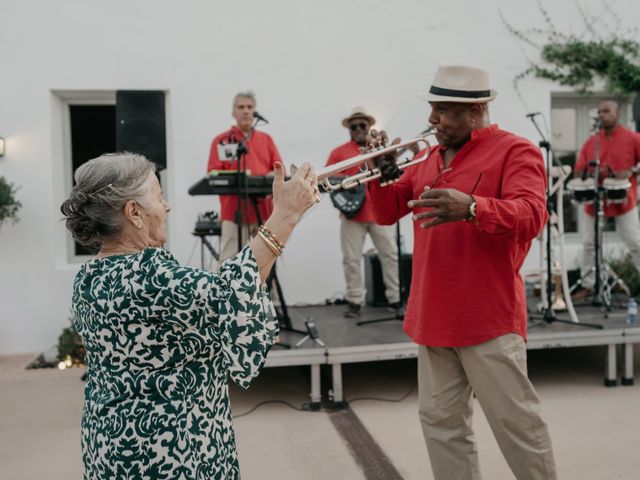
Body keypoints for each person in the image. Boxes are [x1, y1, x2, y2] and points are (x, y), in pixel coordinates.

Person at [60, 153, 319, 479]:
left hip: (107, 447)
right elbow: (233, 295)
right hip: (170, 454)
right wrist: (287, 214)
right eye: (159, 196)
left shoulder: (88, 278)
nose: (167, 207)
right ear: (134, 212)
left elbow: (232, 288)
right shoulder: (153, 276)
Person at [367, 65, 557, 479]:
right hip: (433, 316)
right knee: (442, 429)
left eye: (443, 111)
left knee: (518, 427)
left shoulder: (516, 151)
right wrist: (384, 172)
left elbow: (532, 216)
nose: (432, 120)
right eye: (433, 109)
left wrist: (472, 207)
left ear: (476, 111)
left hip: (488, 316)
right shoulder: (428, 157)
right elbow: (385, 213)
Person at [325, 107, 400, 317]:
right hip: (352, 215)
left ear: (369, 127)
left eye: (362, 125)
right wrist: (345, 194)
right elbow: (327, 179)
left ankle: (395, 299)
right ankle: (355, 301)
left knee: (390, 255)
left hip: (380, 215)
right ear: (349, 128)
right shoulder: (338, 152)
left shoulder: (378, 148)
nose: (358, 129)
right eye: (354, 126)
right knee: (351, 259)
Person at [573, 100, 640, 299]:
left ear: (617, 113)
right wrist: (588, 172)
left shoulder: (633, 138)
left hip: (624, 200)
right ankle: (589, 285)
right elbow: (578, 170)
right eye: (600, 111)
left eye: (607, 111)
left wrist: (632, 170)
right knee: (588, 243)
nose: (602, 115)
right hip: (595, 201)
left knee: (635, 241)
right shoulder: (591, 142)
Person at [207, 90, 283, 261]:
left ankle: (266, 289)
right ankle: (227, 289)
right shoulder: (221, 141)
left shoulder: (266, 139)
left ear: (255, 111)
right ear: (233, 112)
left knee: (266, 261)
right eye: (241, 107)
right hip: (233, 212)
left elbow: (279, 170)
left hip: (263, 211)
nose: (246, 111)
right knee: (229, 260)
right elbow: (213, 174)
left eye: (250, 107)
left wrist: (270, 175)